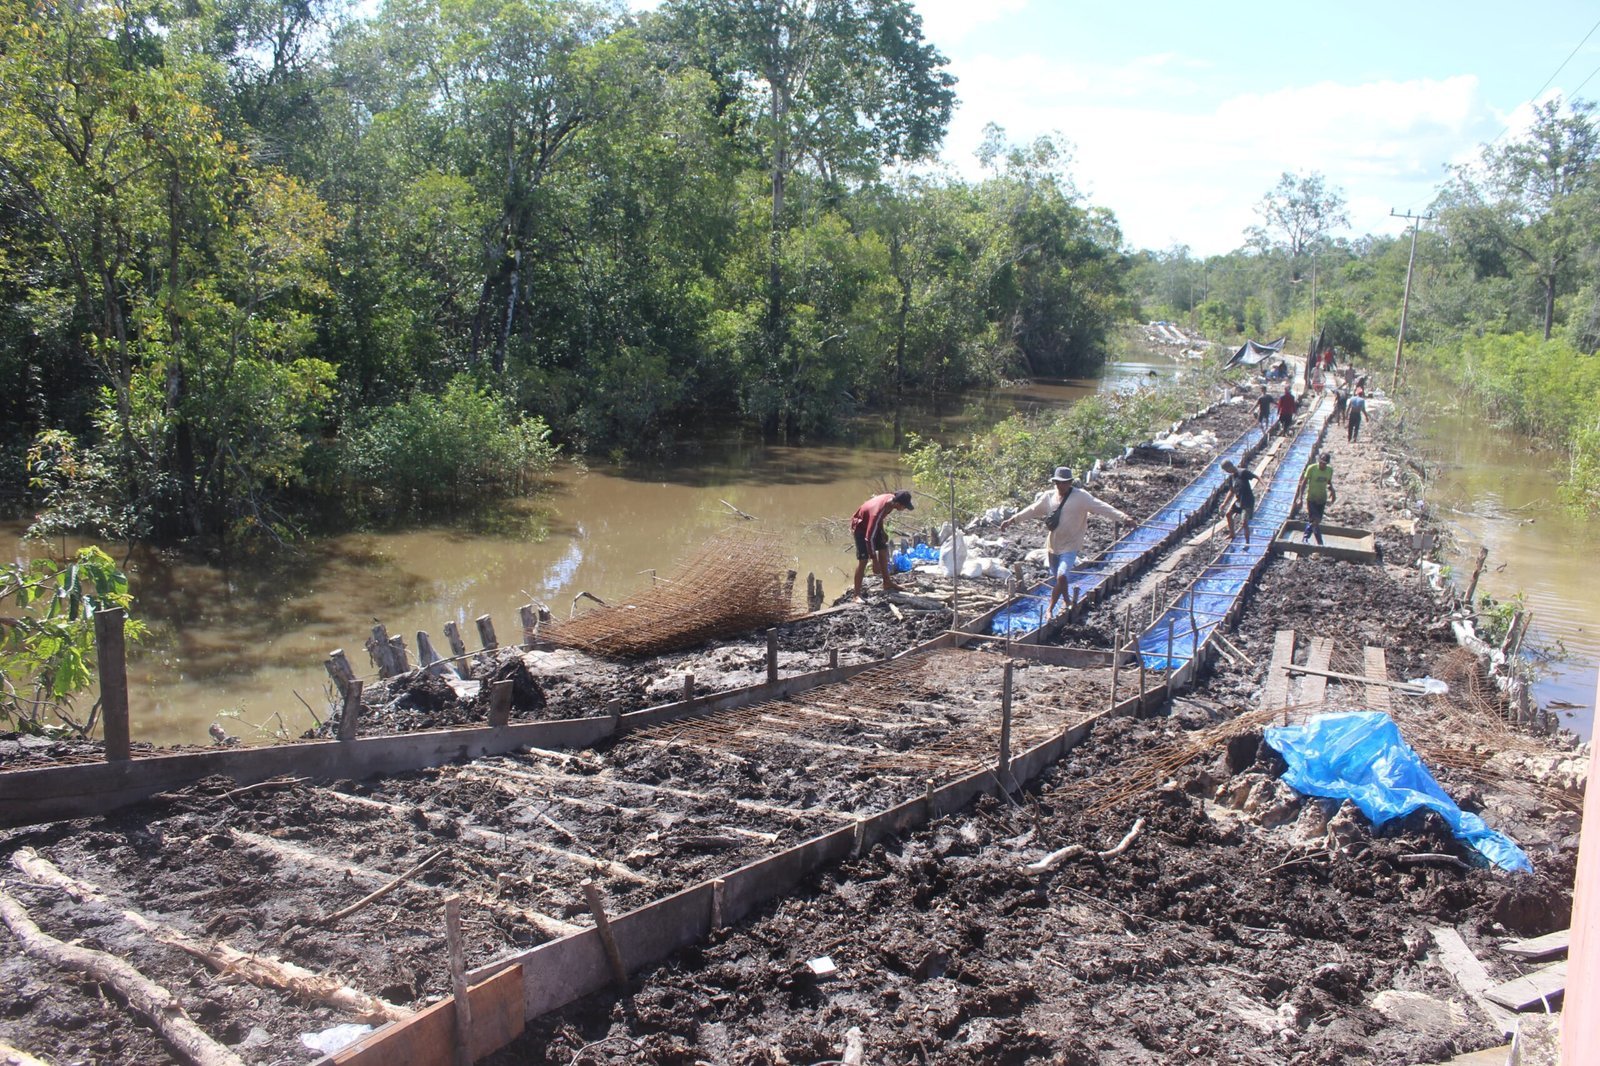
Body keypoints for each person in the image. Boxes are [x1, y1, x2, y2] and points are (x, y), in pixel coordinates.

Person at [1000, 466, 1130, 618]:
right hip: (1053, 545)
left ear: (1070, 483)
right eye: (1057, 483)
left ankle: (1052, 608)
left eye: (1063, 483)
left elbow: (1102, 507)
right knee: (1057, 579)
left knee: (1062, 576)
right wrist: (1012, 520)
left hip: (1071, 545)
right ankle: (1066, 601)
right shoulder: (1048, 497)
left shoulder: (1081, 497)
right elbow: (1032, 510)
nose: (1060, 486)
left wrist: (1124, 518)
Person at [851, 489, 914, 596]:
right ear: (898, 504)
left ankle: (887, 582)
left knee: (883, 548)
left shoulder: (891, 501)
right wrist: (874, 561)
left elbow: (879, 518)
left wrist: (882, 531)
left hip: (872, 523)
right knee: (863, 560)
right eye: (904, 507)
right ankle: (856, 595)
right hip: (860, 527)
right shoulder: (878, 512)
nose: (904, 509)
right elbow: (868, 538)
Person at [1296, 452, 1337, 545]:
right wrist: (1300, 497)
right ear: (1319, 461)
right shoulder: (1312, 468)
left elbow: (1329, 482)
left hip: (1322, 499)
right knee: (1315, 519)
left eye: (1325, 463)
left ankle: (1314, 541)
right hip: (1311, 498)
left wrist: (1333, 491)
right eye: (1321, 463)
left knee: (1315, 521)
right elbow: (1304, 483)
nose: (1322, 465)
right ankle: (1312, 540)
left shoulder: (1329, 470)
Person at [1220, 459, 1259, 545]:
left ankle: (1247, 543)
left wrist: (1266, 486)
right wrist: (1224, 503)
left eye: (1226, 470)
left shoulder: (1242, 472)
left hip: (1247, 501)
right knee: (1228, 514)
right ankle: (1232, 534)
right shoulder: (1232, 477)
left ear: (1230, 467)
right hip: (1239, 501)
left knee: (1244, 523)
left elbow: (1256, 477)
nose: (1227, 472)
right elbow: (1231, 491)